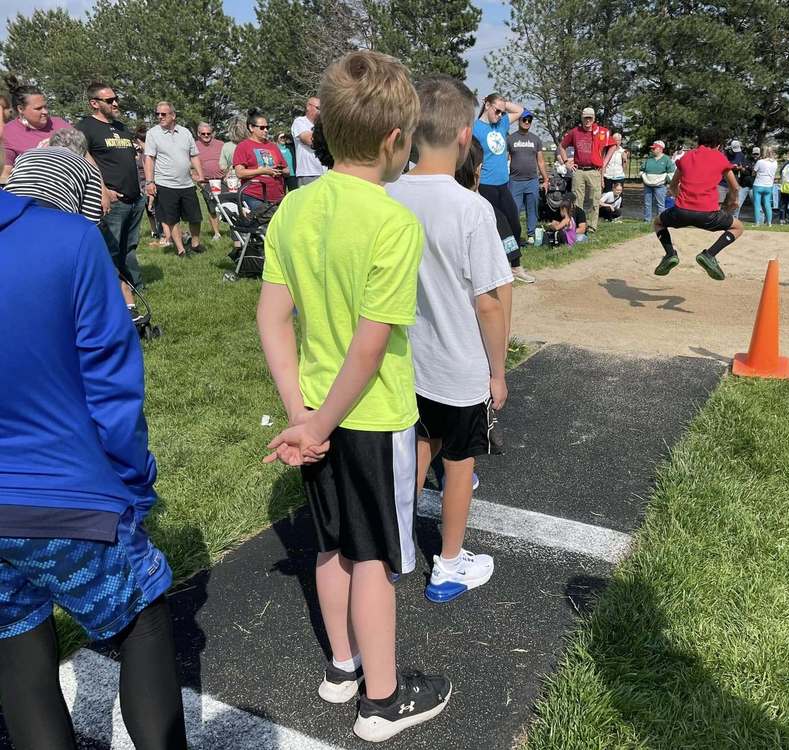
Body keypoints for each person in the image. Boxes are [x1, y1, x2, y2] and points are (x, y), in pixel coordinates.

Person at [256, 50, 450, 742]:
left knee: (331, 543)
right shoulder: (394, 222)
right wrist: (322, 424)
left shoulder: (293, 209)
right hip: (369, 418)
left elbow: (272, 318)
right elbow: (371, 347)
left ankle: (342, 667)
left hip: (315, 410)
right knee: (375, 558)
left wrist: (303, 416)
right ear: (396, 140)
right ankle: (382, 699)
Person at [0, 188, 187, 750]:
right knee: (142, 621)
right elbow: (112, 390)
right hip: (70, 492)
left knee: (16, 649)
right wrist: (134, 484)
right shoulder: (68, 239)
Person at [386, 75, 512, 605]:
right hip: (459, 365)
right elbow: (489, 301)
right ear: (466, 135)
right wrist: (499, 372)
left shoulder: (388, 195)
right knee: (459, 464)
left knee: (417, 448)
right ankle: (450, 563)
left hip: (403, 361)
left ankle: (395, 551)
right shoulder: (471, 208)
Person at [77, 82, 146, 298]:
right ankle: (113, 291)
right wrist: (102, 190)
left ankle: (135, 285)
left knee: (130, 246)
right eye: (109, 100)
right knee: (110, 249)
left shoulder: (121, 127)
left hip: (135, 198)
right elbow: (82, 161)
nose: (115, 103)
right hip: (113, 201)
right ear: (94, 103)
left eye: (116, 99)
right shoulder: (84, 128)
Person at [652, 127, 744, 280]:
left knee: (658, 223)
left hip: (681, 211)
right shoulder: (720, 157)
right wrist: (733, 201)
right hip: (708, 214)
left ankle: (669, 254)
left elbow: (673, 186)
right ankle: (710, 255)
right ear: (718, 145)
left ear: (698, 142)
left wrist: (680, 200)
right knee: (738, 227)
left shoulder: (687, 157)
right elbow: (734, 187)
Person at [473, 93, 534, 283]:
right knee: (502, 227)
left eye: (501, 111)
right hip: (485, 186)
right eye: (496, 110)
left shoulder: (502, 123)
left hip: (502, 185)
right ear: (486, 105)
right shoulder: (475, 129)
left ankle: (510, 265)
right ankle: (513, 266)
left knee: (515, 224)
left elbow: (524, 111)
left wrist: (502, 103)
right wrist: (473, 189)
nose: (499, 114)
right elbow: (474, 163)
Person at [5, 129, 104, 224]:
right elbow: (90, 218)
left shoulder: (26, 154)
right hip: (53, 211)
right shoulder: (88, 167)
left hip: (10, 204)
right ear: (82, 150)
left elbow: (12, 178)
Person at [145, 101, 205, 256]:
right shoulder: (153, 133)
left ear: (173, 115)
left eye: (163, 114)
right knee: (172, 219)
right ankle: (181, 249)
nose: (159, 117)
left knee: (195, 217)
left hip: (186, 183)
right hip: (165, 184)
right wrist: (150, 182)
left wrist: (200, 175)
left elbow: (194, 155)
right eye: (157, 114)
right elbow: (149, 159)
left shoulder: (185, 132)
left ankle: (195, 243)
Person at [1, 77, 71, 182]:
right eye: (38, 108)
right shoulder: (9, 133)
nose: (45, 112)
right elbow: (4, 175)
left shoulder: (60, 123)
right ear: (20, 109)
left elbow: (85, 156)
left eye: (45, 107)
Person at [558, 106, 611, 232]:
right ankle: (577, 224)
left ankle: (592, 226)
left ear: (593, 119)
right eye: (586, 118)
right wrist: (566, 162)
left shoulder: (601, 132)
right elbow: (561, 146)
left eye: (590, 118)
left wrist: (604, 162)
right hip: (579, 170)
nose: (588, 120)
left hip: (594, 170)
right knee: (577, 200)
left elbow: (612, 146)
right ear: (582, 118)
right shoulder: (575, 132)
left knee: (595, 199)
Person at [506, 109, 547, 249]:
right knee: (513, 210)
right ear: (519, 120)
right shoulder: (510, 139)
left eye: (529, 120)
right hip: (515, 181)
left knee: (532, 209)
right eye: (524, 119)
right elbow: (506, 159)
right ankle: (513, 237)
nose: (527, 122)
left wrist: (546, 179)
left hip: (532, 181)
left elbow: (540, 161)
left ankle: (531, 235)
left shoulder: (536, 139)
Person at [234, 109, 289, 210]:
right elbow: (239, 173)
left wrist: (279, 171)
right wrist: (262, 171)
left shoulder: (273, 146)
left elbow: (287, 170)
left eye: (267, 127)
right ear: (251, 127)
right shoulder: (243, 146)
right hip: (254, 196)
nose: (266, 130)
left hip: (277, 197)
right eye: (262, 128)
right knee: (264, 224)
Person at [194, 122, 225, 239]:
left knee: (226, 205)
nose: (206, 135)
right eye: (203, 133)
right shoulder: (194, 146)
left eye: (209, 133)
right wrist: (196, 177)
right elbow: (186, 164)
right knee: (212, 207)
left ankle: (234, 229)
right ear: (198, 134)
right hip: (206, 182)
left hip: (222, 180)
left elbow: (229, 160)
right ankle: (217, 233)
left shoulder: (221, 144)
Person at [291, 96, 326, 185]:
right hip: (308, 173)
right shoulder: (300, 122)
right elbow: (309, 140)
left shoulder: (324, 126)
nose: (321, 112)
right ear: (308, 107)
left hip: (325, 173)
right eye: (318, 108)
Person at [640, 140, 674, 222]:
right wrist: (643, 177)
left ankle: (660, 221)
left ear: (660, 149)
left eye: (654, 148)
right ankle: (647, 220)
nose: (652, 150)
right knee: (647, 203)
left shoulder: (666, 159)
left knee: (660, 204)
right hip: (648, 185)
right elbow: (642, 169)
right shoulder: (649, 159)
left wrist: (666, 180)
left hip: (660, 186)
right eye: (652, 148)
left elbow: (671, 172)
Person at [752, 146, 778, 226]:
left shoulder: (760, 162)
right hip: (769, 185)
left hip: (758, 184)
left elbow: (753, 172)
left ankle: (757, 223)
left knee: (757, 204)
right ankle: (769, 223)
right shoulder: (775, 162)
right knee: (767, 204)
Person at [219, 115, 249, 183]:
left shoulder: (226, 146)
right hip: (249, 180)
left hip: (232, 179)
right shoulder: (252, 145)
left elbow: (222, 167)